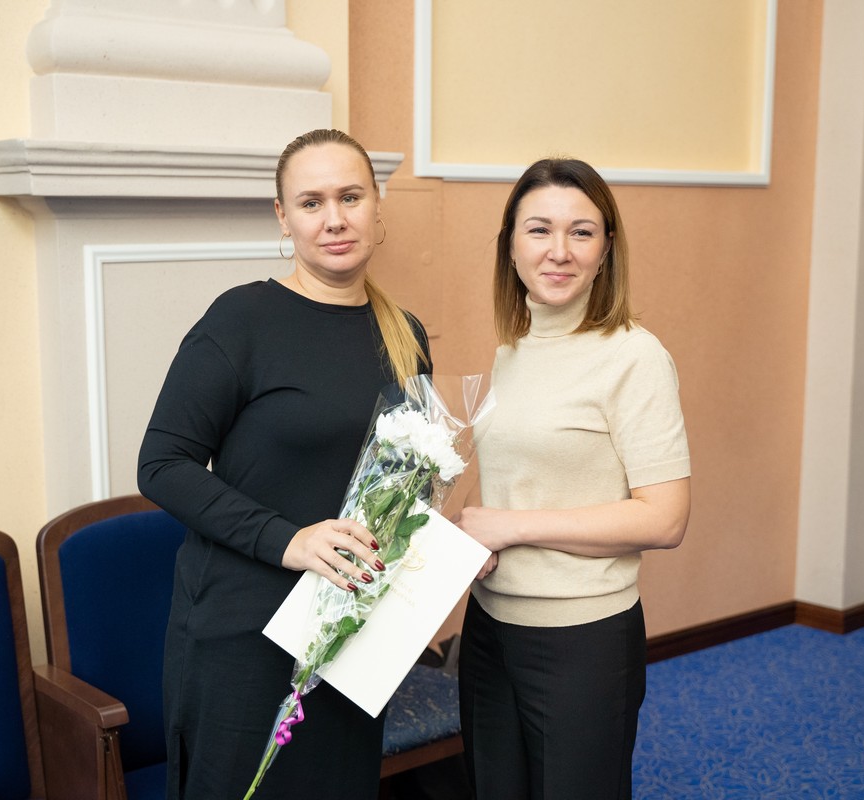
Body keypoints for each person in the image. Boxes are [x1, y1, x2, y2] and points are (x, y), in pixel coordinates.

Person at [137, 129, 432, 800]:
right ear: (283, 216)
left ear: (377, 205)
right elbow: (162, 463)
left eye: (350, 197)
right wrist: (289, 540)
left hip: (350, 628)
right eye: (311, 202)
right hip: (242, 636)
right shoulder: (241, 319)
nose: (335, 219)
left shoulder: (405, 333)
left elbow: (404, 482)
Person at [453, 158, 691, 800]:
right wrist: (470, 535)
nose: (559, 251)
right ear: (510, 245)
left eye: (581, 232)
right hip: (489, 625)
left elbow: (665, 518)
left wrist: (511, 527)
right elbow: (518, 476)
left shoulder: (635, 355)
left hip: (581, 638)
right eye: (539, 230)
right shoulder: (515, 347)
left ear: (606, 248)